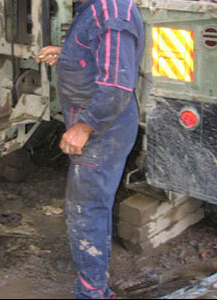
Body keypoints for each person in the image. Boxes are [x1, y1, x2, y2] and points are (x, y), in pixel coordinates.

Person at [37, 0, 145, 298]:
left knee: (86, 208)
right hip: (97, 121)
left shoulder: (113, 14)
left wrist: (84, 127)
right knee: (91, 202)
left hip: (103, 128)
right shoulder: (94, 7)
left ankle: (92, 290)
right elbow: (102, 56)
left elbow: (116, 87)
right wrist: (69, 54)